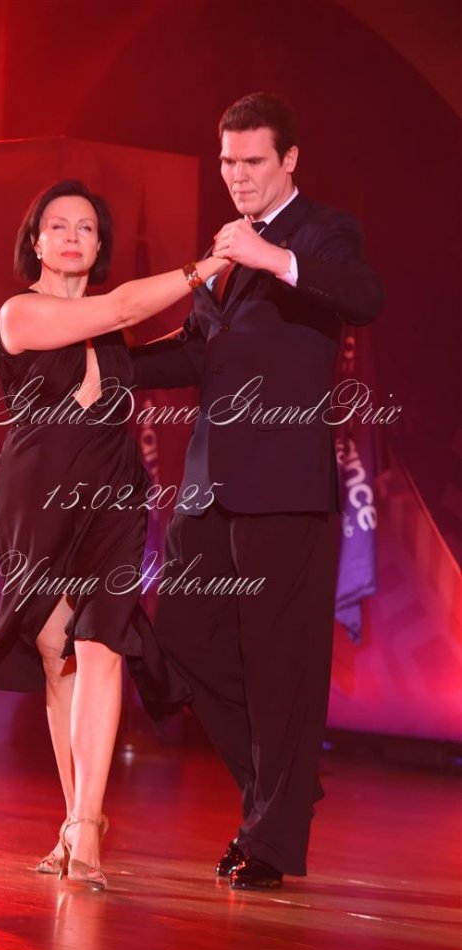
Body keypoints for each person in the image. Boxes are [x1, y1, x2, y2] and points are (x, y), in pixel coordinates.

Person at [131, 94, 385, 889]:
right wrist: (104, 361)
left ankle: (271, 836)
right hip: (209, 488)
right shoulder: (229, 248)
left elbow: (364, 296)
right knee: (182, 641)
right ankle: (282, 786)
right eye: (227, 161)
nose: (237, 175)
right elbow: (197, 353)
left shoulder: (320, 233)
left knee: (283, 666)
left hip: (284, 488)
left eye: (252, 161)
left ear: (289, 160)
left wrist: (270, 256)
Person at [0, 179, 229, 889]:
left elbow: (171, 345)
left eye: (86, 226)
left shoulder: (115, 337)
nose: (72, 235)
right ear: (36, 242)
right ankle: (74, 815)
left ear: (100, 243)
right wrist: (207, 263)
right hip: (36, 499)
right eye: (58, 225)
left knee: (102, 644)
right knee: (58, 657)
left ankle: (86, 825)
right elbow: (121, 306)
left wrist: (226, 301)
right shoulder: (19, 312)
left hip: (114, 497)